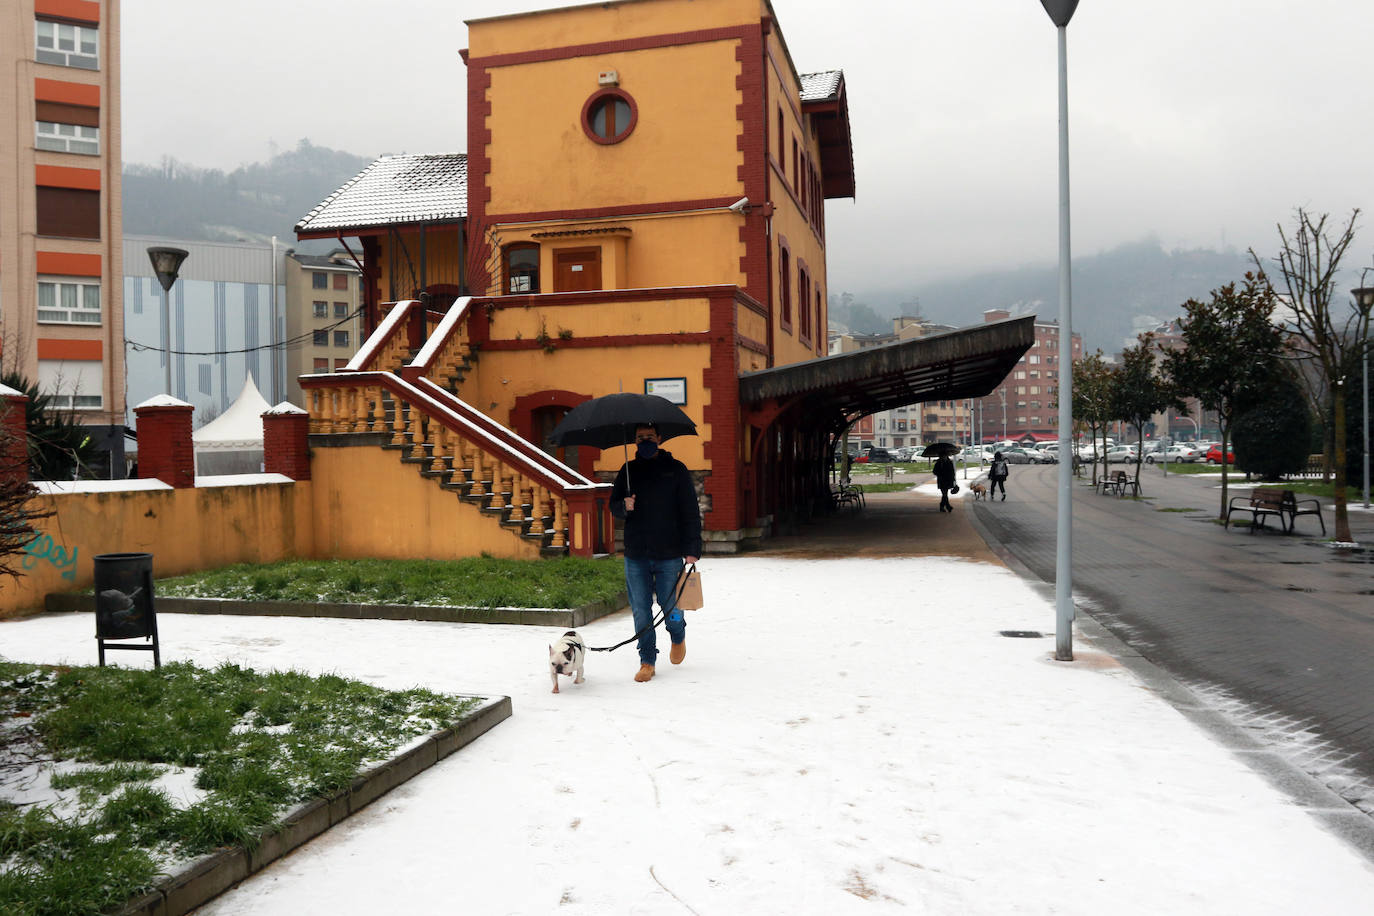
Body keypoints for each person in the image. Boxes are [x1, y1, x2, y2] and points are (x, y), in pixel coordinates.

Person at [609, 423, 702, 683]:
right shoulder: (628, 471)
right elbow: (613, 505)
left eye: (649, 436)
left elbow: (690, 512)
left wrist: (692, 549)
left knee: (670, 605)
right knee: (641, 609)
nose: (645, 441)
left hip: (669, 552)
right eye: (640, 438)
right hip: (636, 552)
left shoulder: (676, 470)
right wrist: (624, 506)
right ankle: (647, 660)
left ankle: (677, 633)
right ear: (634, 441)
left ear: (659, 438)